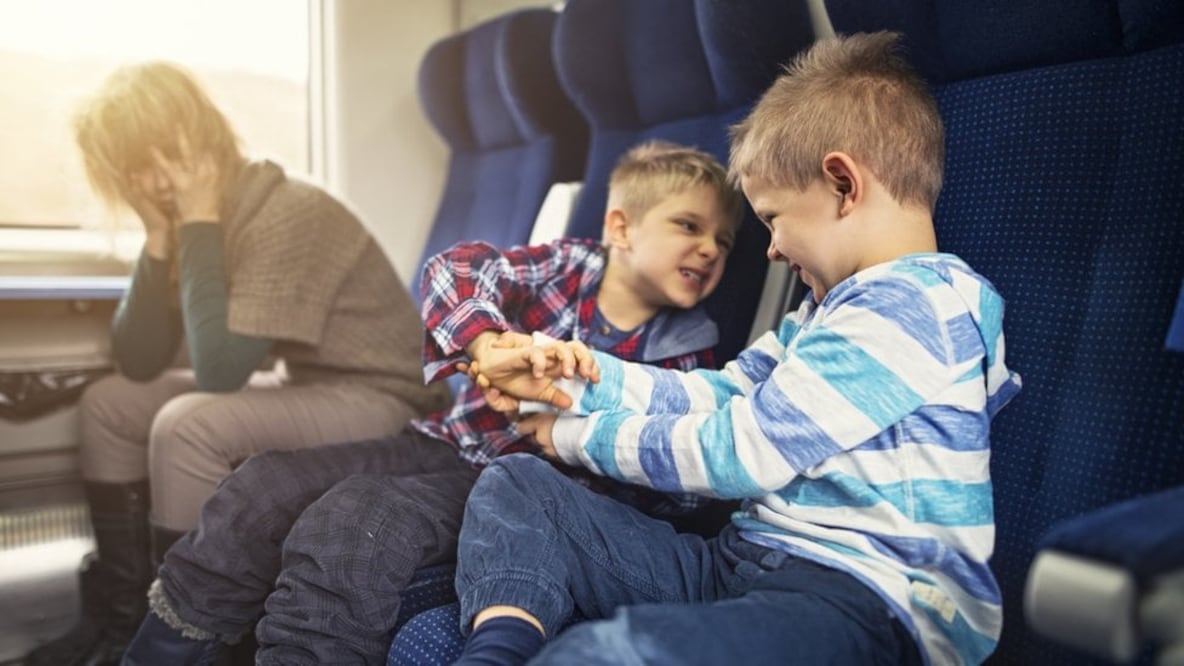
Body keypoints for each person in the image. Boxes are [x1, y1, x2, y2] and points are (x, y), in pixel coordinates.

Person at [417, 31, 1023, 666]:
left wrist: (568, 435)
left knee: (606, 655)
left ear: (843, 185)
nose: (772, 249)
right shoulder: (821, 313)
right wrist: (569, 382)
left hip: (862, 598)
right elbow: (724, 392)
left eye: (772, 219)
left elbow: (743, 450)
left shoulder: (914, 307)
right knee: (518, 485)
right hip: (742, 565)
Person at [117, 139, 746, 665]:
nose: (711, 249)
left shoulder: (686, 353)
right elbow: (455, 269)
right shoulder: (565, 268)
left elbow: (678, 489)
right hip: (445, 441)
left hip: (516, 487)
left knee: (356, 520)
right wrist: (486, 343)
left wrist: (571, 434)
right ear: (621, 228)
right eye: (689, 226)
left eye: (724, 241)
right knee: (262, 486)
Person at [24, 62, 453, 666]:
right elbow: (137, 359)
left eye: (166, 154)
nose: (157, 181)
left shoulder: (287, 210)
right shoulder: (194, 226)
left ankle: (191, 642)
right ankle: (120, 624)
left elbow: (220, 371)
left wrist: (196, 225)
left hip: (383, 394)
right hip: (308, 382)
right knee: (109, 404)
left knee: (189, 425)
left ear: (204, 136)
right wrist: (157, 239)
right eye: (136, 168)